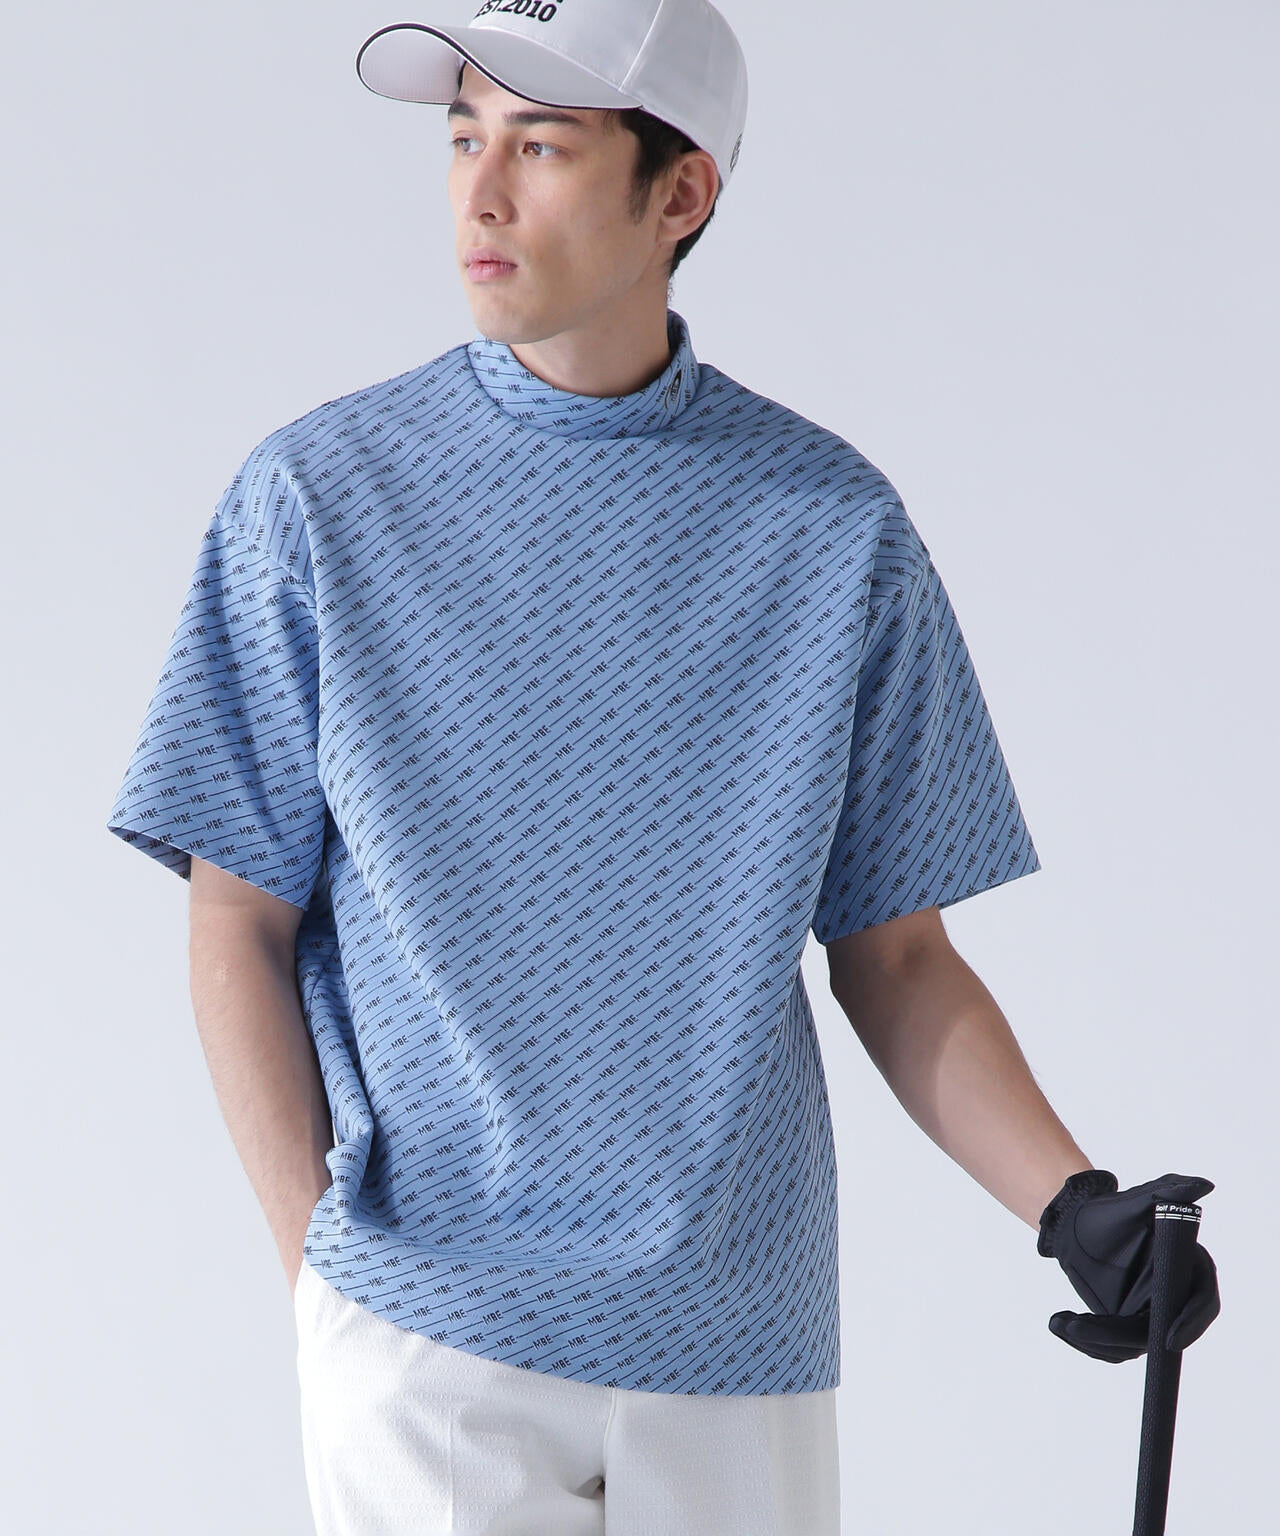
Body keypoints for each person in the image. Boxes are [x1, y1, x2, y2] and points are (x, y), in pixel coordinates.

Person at [106, 2, 1220, 1532]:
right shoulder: (316, 500)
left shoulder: (833, 532)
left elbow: (897, 955)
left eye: (543, 146)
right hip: (426, 1333)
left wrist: (1070, 1203)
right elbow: (235, 911)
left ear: (679, 192)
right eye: (463, 138)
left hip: (735, 1337)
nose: (480, 192)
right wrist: (322, 1280)